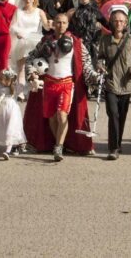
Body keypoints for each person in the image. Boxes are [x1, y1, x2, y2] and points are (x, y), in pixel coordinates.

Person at [24, 12, 100, 161]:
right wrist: (31, 72)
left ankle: (58, 148)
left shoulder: (76, 42)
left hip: (67, 84)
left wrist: (95, 76)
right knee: (52, 118)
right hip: (49, 84)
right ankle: (61, 143)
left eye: (64, 23)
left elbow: (85, 64)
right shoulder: (45, 41)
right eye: (58, 22)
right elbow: (31, 58)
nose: (61, 25)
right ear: (53, 24)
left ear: (68, 24)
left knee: (62, 114)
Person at [97, 6, 131, 160]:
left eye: (121, 21)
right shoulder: (105, 40)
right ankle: (113, 148)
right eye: (115, 20)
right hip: (111, 83)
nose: (118, 23)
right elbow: (100, 57)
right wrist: (100, 66)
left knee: (121, 116)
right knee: (113, 115)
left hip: (126, 84)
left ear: (125, 23)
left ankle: (118, 142)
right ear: (111, 22)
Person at [9, 0, 49, 93]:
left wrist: (51, 24)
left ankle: (35, 89)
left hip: (35, 42)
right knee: (21, 67)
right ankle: (21, 91)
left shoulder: (39, 12)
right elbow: (12, 26)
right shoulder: (18, 12)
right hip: (22, 41)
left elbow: (46, 26)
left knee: (35, 67)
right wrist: (17, 32)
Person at [0, 69, 26, 159]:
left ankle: (8, 151)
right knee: (6, 127)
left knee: (11, 129)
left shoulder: (15, 86)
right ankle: (15, 146)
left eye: (1, 79)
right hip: (3, 111)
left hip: (13, 110)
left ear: (8, 80)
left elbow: (24, 90)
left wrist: (21, 95)